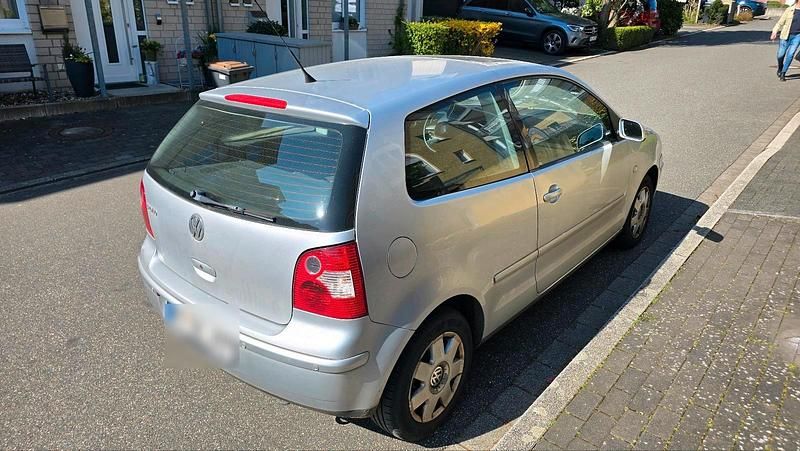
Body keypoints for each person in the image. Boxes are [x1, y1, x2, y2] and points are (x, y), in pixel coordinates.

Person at [772, 0, 800, 81]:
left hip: (797, 36)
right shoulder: (789, 10)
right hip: (785, 35)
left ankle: (783, 73)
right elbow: (780, 22)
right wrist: (774, 32)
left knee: (790, 54)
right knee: (780, 55)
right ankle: (780, 67)